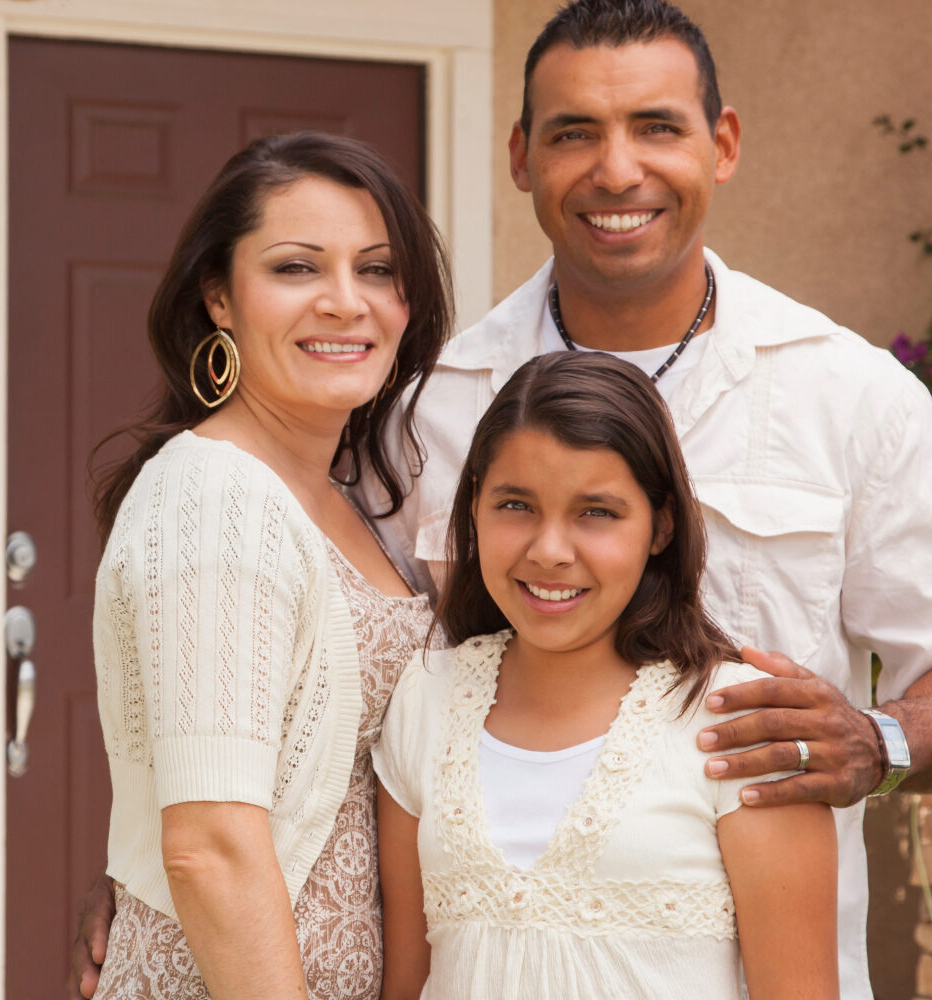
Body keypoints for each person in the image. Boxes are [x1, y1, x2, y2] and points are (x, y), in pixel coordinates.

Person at [353, 2, 932, 997]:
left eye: (656, 126)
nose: (616, 171)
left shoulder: (852, 397)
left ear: (723, 144)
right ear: (520, 155)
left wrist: (878, 740)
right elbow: (346, 692)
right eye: (574, 131)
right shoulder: (430, 408)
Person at [84, 131, 452, 1000]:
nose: (344, 302)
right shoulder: (213, 494)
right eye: (296, 268)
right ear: (219, 296)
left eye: (376, 269)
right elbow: (209, 843)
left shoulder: (345, 496)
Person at [374, 351, 838, 1000]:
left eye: (596, 512)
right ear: (474, 504)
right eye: (516, 504)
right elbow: (406, 984)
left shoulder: (742, 720)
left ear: (661, 526)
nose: (550, 550)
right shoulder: (426, 696)